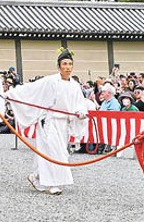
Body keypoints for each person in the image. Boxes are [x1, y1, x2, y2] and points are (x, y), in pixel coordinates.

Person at [5, 48, 88, 195]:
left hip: (63, 123)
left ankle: (36, 176)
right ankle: (52, 184)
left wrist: (81, 112)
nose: (68, 67)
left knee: (60, 151)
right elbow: (31, 89)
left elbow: (79, 103)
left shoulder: (75, 85)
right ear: (58, 66)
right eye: (65, 64)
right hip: (49, 121)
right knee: (52, 151)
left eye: (70, 64)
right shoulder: (50, 81)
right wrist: (10, 94)